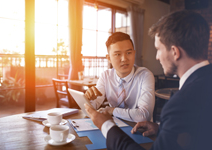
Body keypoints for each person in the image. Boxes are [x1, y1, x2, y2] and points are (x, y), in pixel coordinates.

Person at [85, 10, 212, 150]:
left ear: (175, 52)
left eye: (158, 49)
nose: (157, 57)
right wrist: (161, 128)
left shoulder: (180, 103)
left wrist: (106, 125)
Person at [84, 32, 155, 122]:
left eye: (129, 53)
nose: (124, 59)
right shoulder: (106, 76)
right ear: (109, 58)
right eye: (117, 54)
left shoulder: (145, 75)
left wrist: (111, 110)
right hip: (114, 128)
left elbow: (144, 116)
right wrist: (88, 99)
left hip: (141, 130)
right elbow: (93, 106)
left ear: (134, 53)